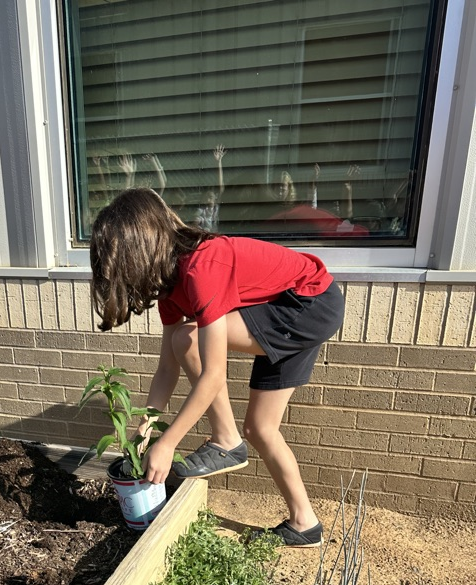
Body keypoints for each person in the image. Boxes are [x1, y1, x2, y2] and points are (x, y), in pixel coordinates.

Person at [90, 188, 345, 548]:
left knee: (188, 339)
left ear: (141, 251)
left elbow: (212, 374)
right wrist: (143, 432)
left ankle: (226, 440)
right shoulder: (171, 290)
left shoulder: (202, 267)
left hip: (308, 304)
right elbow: (166, 370)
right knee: (260, 428)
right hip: (290, 304)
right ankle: (305, 524)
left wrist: (169, 443)